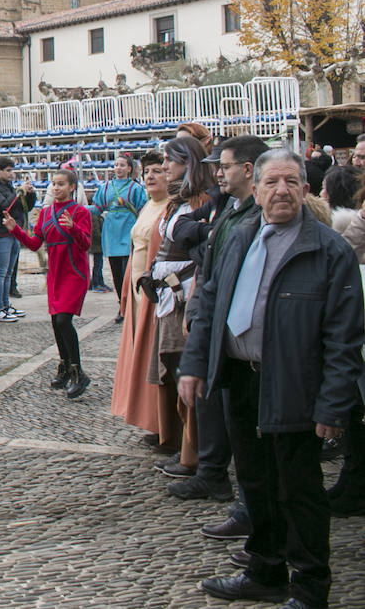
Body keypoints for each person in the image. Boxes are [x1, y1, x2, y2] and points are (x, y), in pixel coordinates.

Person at [179, 149, 365, 609]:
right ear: (256, 189)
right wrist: (195, 364)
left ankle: (309, 587)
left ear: (304, 189)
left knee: (299, 490)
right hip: (242, 380)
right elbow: (209, 303)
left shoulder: (329, 250)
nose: (282, 190)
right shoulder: (239, 236)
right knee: (255, 481)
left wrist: (333, 405)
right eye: (272, 182)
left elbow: (345, 340)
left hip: (296, 384)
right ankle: (265, 569)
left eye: (291, 181)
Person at [169, 135, 268, 504]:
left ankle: (248, 505)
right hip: (214, 316)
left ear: (246, 169)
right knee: (219, 407)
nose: (217, 173)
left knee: (241, 423)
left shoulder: (251, 213)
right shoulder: (228, 206)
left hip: (238, 329)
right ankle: (222, 482)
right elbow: (192, 242)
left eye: (224, 166)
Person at [148, 135, 215, 478]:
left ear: (188, 163)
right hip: (169, 295)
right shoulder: (180, 201)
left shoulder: (201, 201)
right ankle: (186, 447)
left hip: (184, 295)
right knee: (175, 371)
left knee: (186, 371)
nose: (165, 167)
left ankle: (197, 455)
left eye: (171, 161)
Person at [5, 169, 91, 398]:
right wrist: (16, 231)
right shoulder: (45, 213)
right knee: (56, 321)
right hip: (56, 273)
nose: (56, 188)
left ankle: (78, 371)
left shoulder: (81, 212)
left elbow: (86, 244)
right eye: (53, 183)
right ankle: (64, 367)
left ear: (72, 187)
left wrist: (74, 228)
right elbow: (35, 244)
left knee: (64, 319)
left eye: (61, 184)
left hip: (74, 271)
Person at [111, 151, 170, 443]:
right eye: (147, 171)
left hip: (153, 293)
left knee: (154, 356)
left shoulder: (170, 208)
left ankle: (163, 423)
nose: (150, 176)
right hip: (136, 292)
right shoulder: (149, 205)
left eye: (158, 170)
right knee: (142, 354)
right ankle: (152, 420)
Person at [0, 157, 35, 323]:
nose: (12, 174)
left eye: (12, 170)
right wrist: (19, 193)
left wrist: (30, 194)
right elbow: (6, 207)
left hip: (12, 232)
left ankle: (6, 305)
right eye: (8, 170)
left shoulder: (8, 188)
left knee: (8, 273)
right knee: (1, 272)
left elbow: (24, 207)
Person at [92, 156, 147, 310]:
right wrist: (77, 209)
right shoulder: (106, 187)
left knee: (128, 271)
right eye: (116, 165)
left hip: (128, 228)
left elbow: (143, 209)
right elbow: (97, 208)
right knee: (116, 272)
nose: (118, 168)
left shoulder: (135, 188)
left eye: (122, 165)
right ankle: (121, 304)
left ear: (129, 169)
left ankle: (131, 304)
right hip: (112, 231)